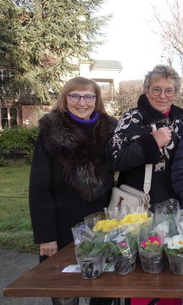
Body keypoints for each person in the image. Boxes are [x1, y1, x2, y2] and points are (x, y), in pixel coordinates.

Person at [29, 77, 117, 305]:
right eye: (75, 96)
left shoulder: (111, 129)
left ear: (96, 100)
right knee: (65, 292)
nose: (82, 102)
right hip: (61, 227)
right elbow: (39, 187)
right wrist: (46, 237)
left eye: (89, 96)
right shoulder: (51, 131)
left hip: (103, 223)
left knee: (104, 291)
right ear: (64, 99)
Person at [107, 65, 183, 206]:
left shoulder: (181, 121)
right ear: (147, 91)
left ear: (175, 94)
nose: (162, 96)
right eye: (156, 89)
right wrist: (152, 143)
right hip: (141, 205)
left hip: (175, 205)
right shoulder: (132, 118)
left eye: (169, 91)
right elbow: (114, 159)